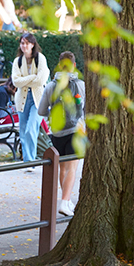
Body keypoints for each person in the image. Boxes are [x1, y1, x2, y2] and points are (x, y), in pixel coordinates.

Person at [37, 52, 85, 216]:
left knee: (62, 167)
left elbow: (41, 111)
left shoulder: (51, 86)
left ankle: (66, 200)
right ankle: (64, 202)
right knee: (72, 167)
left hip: (57, 133)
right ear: (74, 65)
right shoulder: (80, 85)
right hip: (75, 131)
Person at [11, 33, 50, 169]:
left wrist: (26, 80)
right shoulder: (18, 61)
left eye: (27, 43)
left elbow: (41, 80)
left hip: (37, 100)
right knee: (23, 131)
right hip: (22, 100)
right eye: (22, 43)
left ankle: (31, 161)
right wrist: (32, 77)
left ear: (33, 44)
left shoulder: (40, 59)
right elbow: (16, 81)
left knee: (31, 128)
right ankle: (27, 162)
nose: (24, 46)